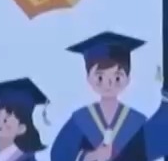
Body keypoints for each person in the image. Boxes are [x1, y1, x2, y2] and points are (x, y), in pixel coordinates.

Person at [51, 32, 167, 161]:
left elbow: (152, 148)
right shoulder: (81, 120)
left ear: (128, 79)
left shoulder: (135, 121)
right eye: (100, 77)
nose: (109, 83)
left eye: (117, 78)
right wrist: (92, 156)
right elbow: (59, 155)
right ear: (89, 78)